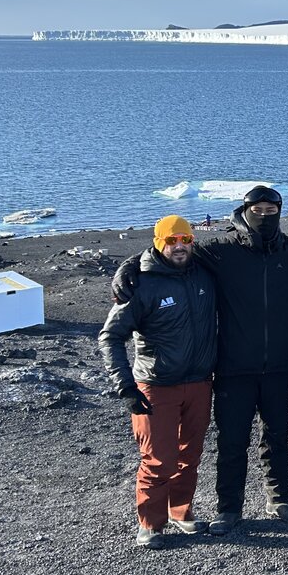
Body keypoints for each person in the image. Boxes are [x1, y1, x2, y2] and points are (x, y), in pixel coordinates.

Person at [112, 185, 288, 533]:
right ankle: (228, 508)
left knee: (277, 437)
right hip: (233, 368)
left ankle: (280, 499)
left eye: (271, 210)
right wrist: (129, 266)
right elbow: (172, 251)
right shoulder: (220, 252)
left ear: (279, 211)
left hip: (278, 366)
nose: (264, 216)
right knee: (232, 441)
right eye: (257, 210)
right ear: (245, 210)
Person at [99, 215, 216, 549]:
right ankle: (150, 524)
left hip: (198, 382)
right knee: (157, 459)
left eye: (185, 240)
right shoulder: (141, 284)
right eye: (171, 241)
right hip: (155, 385)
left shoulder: (205, 274)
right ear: (158, 242)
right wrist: (126, 386)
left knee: (189, 455)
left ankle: (181, 512)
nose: (179, 247)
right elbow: (111, 336)